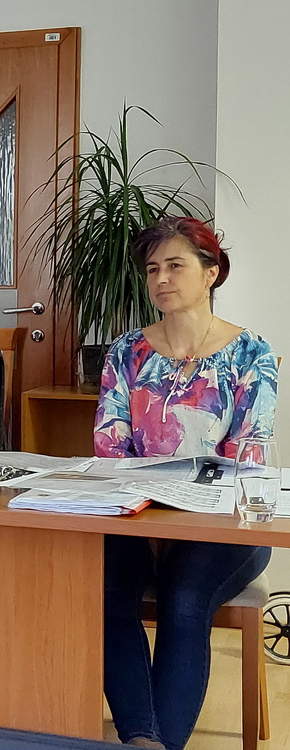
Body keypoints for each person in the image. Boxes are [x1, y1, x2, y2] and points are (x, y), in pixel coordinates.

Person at [94, 217, 277, 750]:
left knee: (184, 597)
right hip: (137, 517)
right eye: (153, 269)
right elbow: (110, 450)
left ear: (210, 273)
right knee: (105, 591)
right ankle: (143, 739)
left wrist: (180, 511)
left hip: (224, 526)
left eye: (175, 266)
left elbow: (247, 459)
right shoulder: (126, 353)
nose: (161, 279)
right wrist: (149, 515)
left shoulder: (252, 354)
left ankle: (155, 743)